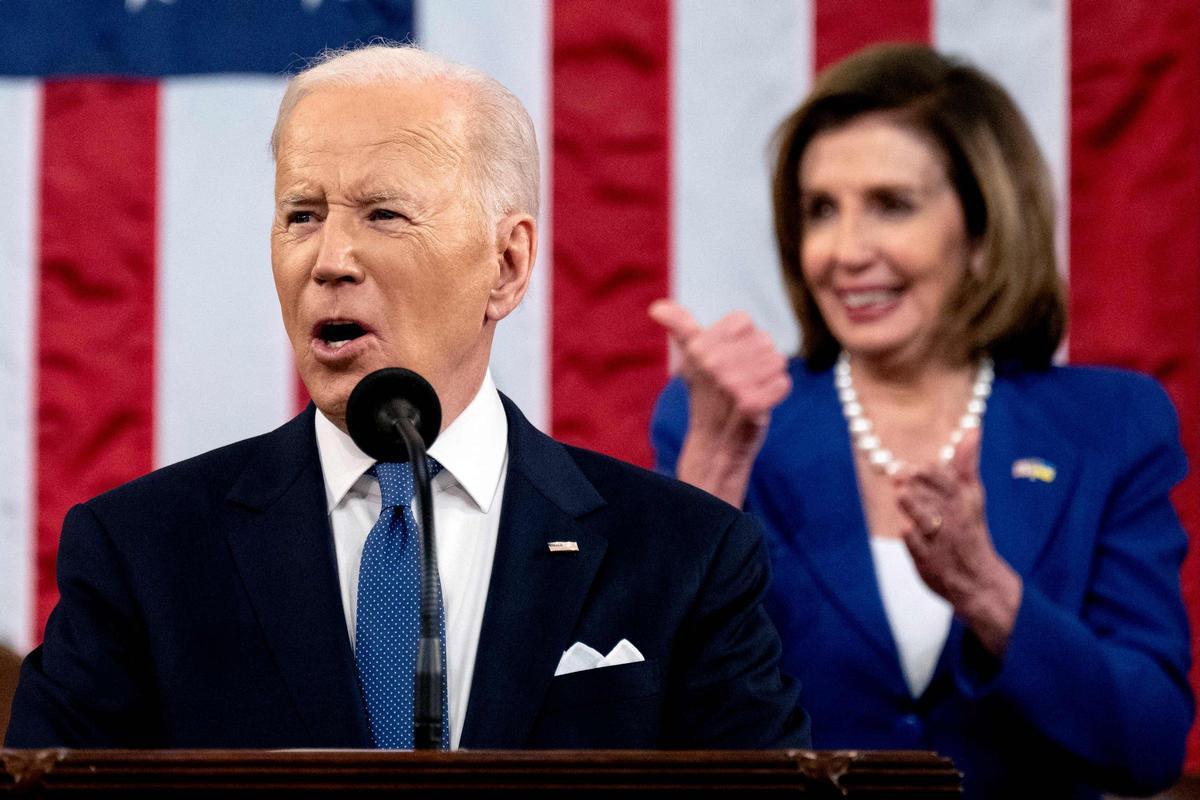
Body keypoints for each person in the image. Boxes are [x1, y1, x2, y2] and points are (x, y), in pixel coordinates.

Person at [6, 43, 809, 751]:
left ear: (507, 265)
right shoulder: (142, 553)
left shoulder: (684, 555)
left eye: (383, 214)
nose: (329, 260)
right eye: (302, 215)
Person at [650, 43, 1192, 798]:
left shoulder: (1109, 424)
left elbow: (1152, 742)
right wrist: (708, 478)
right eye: (820, 211)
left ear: (980, 231)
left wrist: (992, 598)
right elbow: (647, 719)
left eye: (891, 204)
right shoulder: (723, 422)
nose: (844, 251)